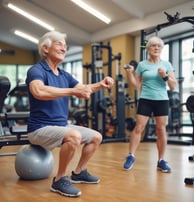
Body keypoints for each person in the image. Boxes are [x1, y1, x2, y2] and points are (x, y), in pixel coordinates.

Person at [25, 31, 114, 197]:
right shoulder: (36, 70)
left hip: (61, 126)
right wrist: (72, 92)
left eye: (65, 46)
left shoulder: (64, 74)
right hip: (38, 128)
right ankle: (59, 180)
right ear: (45, 48)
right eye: (59, 44)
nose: (64, 48)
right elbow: (38, 91)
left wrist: (101, 85)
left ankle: (79, 172)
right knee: (74, 135)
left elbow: (82, 88)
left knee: (96, 137)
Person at [123, 36, 177, 173]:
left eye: (159, 46)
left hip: (162, 99)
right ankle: (131, 156)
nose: (156, 48)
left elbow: (173, 86)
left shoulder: (167, 64)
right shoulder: (142, 65)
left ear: (161, 49)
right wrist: (129, 74)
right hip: (146, 99)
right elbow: (136, 85)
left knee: (161, 130)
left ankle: (161, 160)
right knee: (139, 128)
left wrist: (164, 75)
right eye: (153, 46)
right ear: (148, 49)